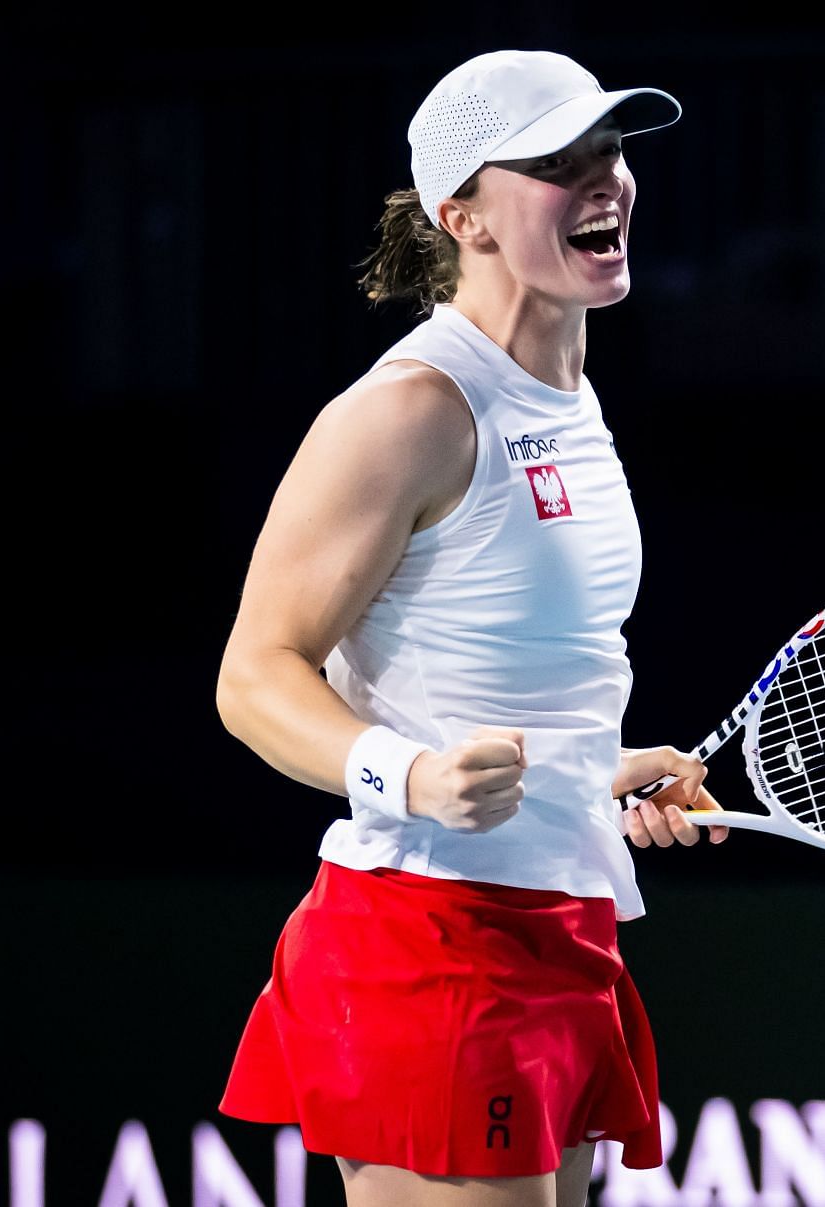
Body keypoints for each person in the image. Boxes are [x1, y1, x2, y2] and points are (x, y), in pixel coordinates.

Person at [213, 49, 728, 1207]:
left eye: (608, 149)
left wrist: (599, 767)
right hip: (425, 937)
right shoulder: (410, 412)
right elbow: (254, 676)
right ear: (465, 219)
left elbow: (498, 664)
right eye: (555, 162)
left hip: (563, 925)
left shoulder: (570, 398)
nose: (603, 179)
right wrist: (411, 774)